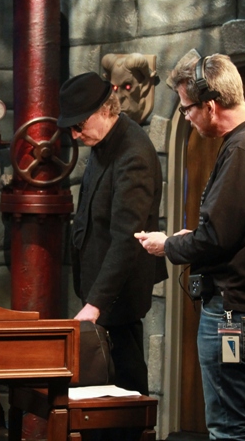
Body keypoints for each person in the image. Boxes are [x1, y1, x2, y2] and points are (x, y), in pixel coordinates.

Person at [136, 54, 245, 441]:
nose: (186, 117)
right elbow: (237, 231)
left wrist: (168, 245)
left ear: (210, 105)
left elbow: (217, 239)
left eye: (187, 108)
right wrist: (191, 237)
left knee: (230, 427)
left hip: (233, 318)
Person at [57, 71, 166, 398]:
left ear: (105, 110)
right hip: (100, 292)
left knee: (126, 388)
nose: (75, 135)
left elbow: (126, 238)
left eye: (79, 125)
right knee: (102, 390)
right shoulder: (103, 141)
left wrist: (96, 304)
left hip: (118, 296)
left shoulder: (133, 154)